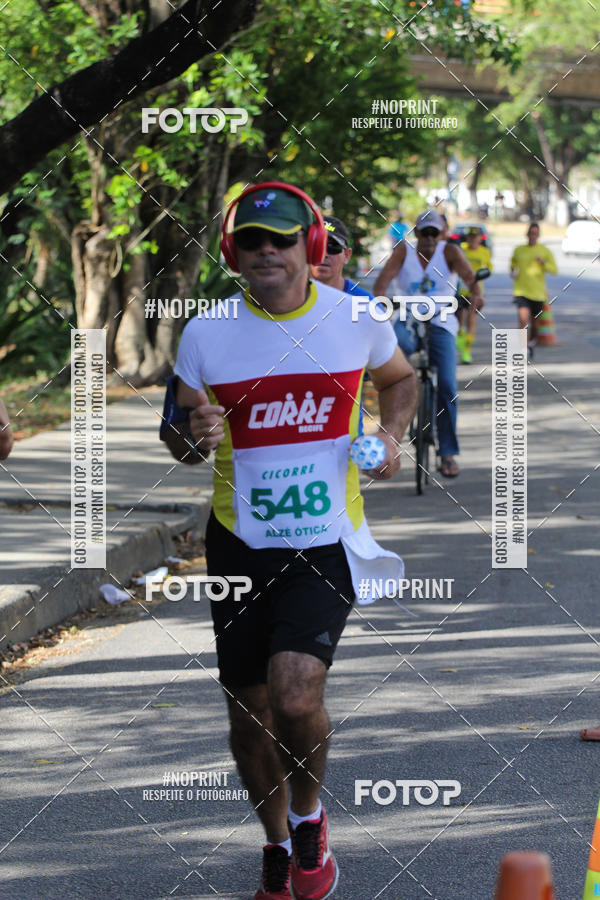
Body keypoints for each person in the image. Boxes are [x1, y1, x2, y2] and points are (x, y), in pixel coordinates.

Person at [162, 182, 417, 900]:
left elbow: (400, 380)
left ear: (309, 246)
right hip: (238, 544)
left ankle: (309, 820)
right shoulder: (207, 332)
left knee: (294, 694)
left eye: (280, 239)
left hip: (325, 538)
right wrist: (194, 436)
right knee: (249, 715)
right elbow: (181, 432)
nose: (266, 252)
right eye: (252, 242)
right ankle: (276, 845)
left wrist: (390, 437)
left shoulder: (357, 318)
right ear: (233, 253)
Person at [373, 209, 483, 479]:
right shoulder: (403, 252)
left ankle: (447, 452)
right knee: (395, 367)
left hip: (442, 321)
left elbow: (471, 280)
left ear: (442, 233)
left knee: (446, 384)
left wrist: (476, 296)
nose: (430, 238)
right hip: (407, 317)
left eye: (435, 232)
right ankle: (391, 438)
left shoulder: (451, 252)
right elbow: (381, 285)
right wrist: (381, 302)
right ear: (417, 233)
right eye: (425, 232)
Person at [510, 222, 557, 360]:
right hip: (521, 291)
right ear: (527, 234)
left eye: (535, 233)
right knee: (523, 319)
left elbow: (554, 270)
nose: (533, 236)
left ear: (538, 235)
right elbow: (513, 264)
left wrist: (544, 264)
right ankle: (523, 349)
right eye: (531, 233)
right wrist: (512, 271)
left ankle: (530, 343)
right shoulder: (519, 249)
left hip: (537, 293)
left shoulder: (544, 251)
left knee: (535, 325)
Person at [456, 227, 492, 364]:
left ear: (479, 238)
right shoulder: (461, 250)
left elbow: (489, 268)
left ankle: (467, 352)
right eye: (470, 237)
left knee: (471, 320)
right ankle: (460, 335)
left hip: (475, 292)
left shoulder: (484, 252)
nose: (472, 239)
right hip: (460, 291)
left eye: (475, 237)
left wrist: (482, 274)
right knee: (458, 321)